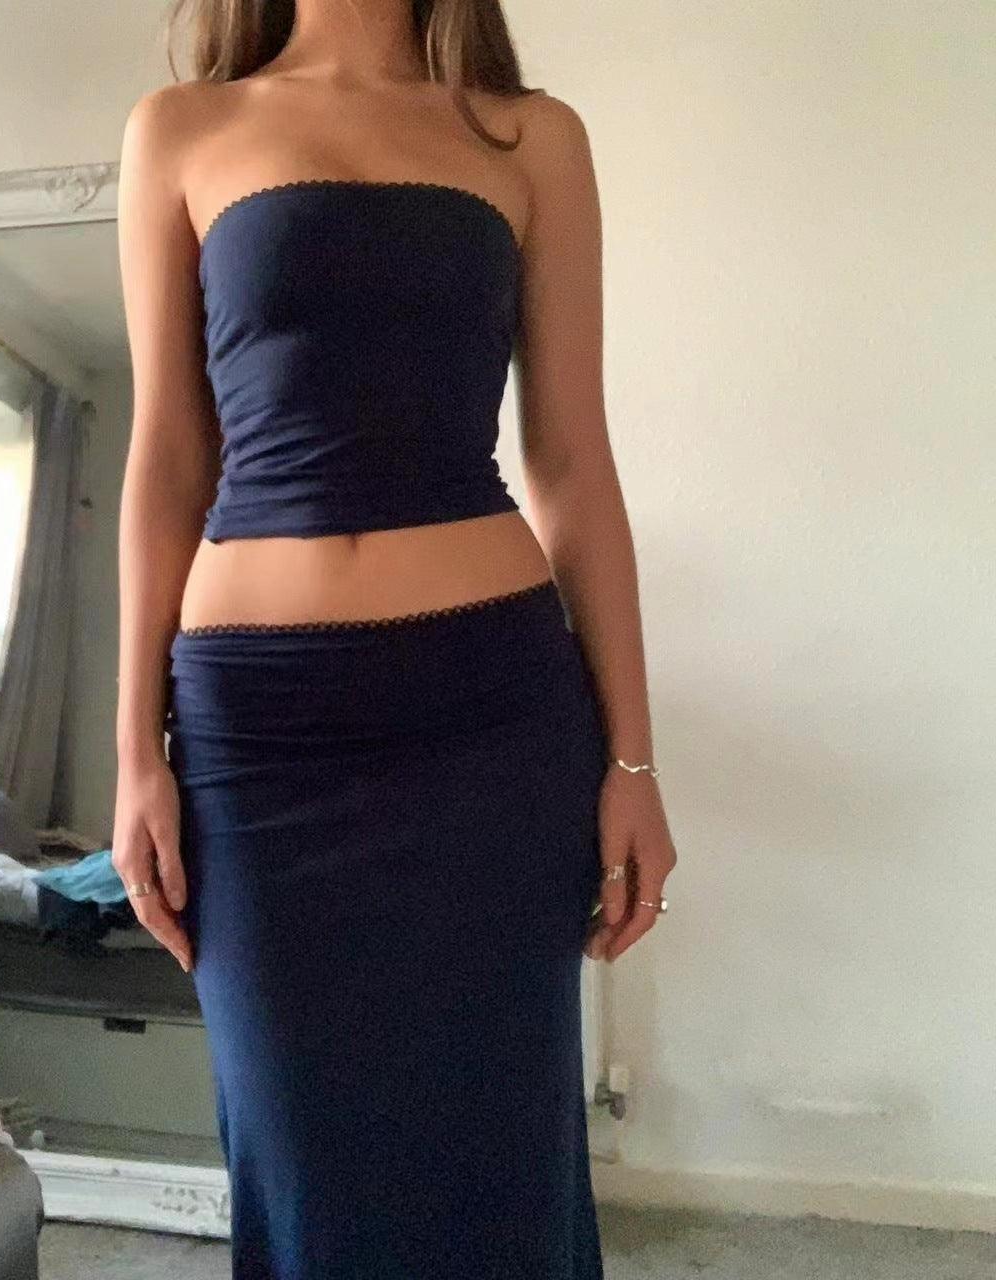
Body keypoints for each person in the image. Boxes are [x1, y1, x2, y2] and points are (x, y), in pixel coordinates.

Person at [112, 1, 678, 1274]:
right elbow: (166, 458)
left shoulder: (529, 137)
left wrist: (631, 759)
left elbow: (571, 461)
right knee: (300, 1162)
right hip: (259, 738)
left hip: (490, 715)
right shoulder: (182, 129)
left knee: (499, 1156)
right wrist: (134, 751)